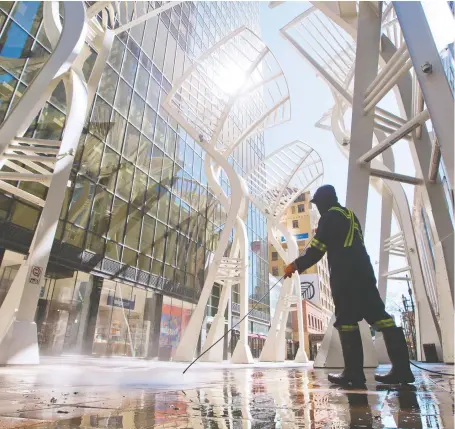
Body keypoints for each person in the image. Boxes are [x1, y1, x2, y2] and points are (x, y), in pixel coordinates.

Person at [284, 185, 414, 387]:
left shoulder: (329, 217)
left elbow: (316, 250)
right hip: (364, 272)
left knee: (346, 321)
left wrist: (295, 265)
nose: (318, 209)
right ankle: (403, 370)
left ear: (325, 201)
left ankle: (353, 373)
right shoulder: (349, 215)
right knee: (381, 318)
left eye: (318, 204)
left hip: (345, 276)